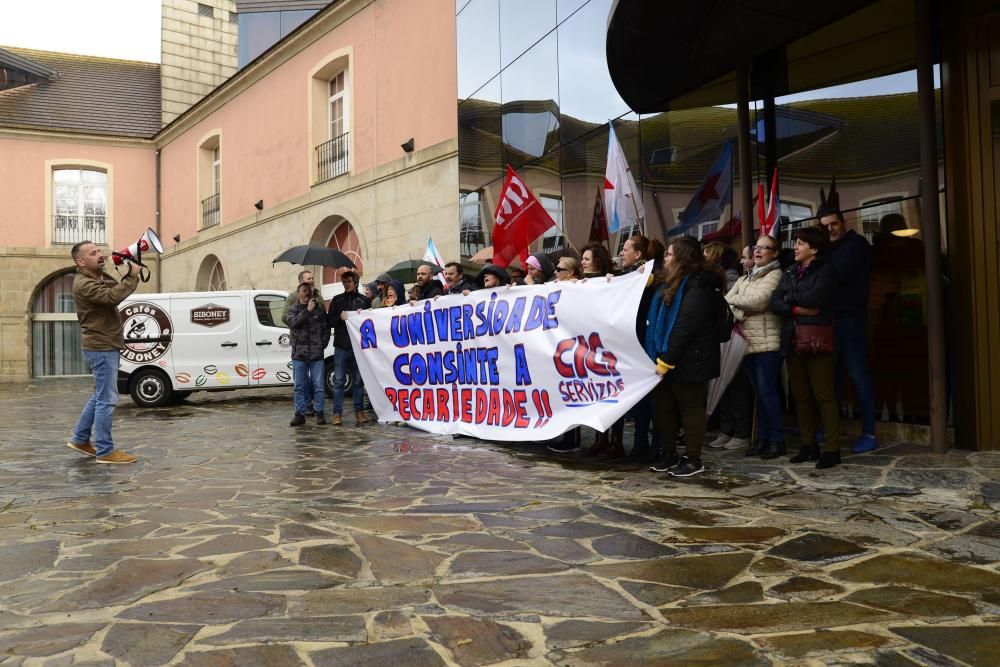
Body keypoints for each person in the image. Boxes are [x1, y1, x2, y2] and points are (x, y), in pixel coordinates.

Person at [645, 236, 724, 477]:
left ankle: (693, 458)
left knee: (690, 408)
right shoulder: (669, 283)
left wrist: (667, 359)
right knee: (663, 406)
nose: (665, 259)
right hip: (666, 355)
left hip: (691, 357)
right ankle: (668, 453)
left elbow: (685, 325)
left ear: (681, 258)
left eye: (669, 255)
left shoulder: (699, 285)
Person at [770, 226, 840, 469]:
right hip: (792, 340)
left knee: (824, 395)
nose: (795, 247)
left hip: (817, 340)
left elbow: (816, 299)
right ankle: (807, 445)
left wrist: (792, 298)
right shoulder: (789, 271)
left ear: (814, 248)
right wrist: (796, 307)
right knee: (800, 397)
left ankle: (832, 449)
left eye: (800, 243)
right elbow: (775, 302)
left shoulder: (826, 270)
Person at [67, 240, 140, 464]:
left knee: (99, 396)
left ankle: (80, 439)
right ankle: (106, 451)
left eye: (99, 251)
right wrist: (132, 275)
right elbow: (111, 297)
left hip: (102, 345)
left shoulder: (91, 279)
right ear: (80, 262)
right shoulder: (84, 284)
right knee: (107, 400)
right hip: (102, 347)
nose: (100, 255)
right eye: (93, 253)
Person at [820, 194, 877, 454]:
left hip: (851, 320)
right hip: (830, 321)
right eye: (824, 226)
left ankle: (869, 433)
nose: (829, 229)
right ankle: (832, 428)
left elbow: (834, 275)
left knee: (857, 376)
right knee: (831, 379)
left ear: (843, 223)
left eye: (833, 224)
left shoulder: (856, 244)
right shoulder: (828, 250)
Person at [725, 235, 784, 457]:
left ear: (775, 253)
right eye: (756, 247)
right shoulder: (745, 278)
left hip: (768, 344)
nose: (758, 251)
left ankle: (777, 440)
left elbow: (760, 301)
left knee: (768, 392)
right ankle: (763, 438)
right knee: (759, 395)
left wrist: (735, 305)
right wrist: (739, 307)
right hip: (748, 343)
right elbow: (726, 300)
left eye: (765, 248)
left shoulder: (775, 275)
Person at [703, 241, 752, 451]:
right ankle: (726, 429)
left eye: (706, 253)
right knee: (721, 385)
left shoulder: (731, 277)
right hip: (720, 336)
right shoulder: (716, 278)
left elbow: (729, 305)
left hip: (734, 337)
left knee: (735, 385)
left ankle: (740, 431)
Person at [327, 271, 371, 425]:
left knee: (358, 381)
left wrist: (362, 315)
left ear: (355, 282)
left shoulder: (364, 300)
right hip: (341, 346)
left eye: (349, 281)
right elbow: (329, 321)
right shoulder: (337, 300)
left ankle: (359, 412)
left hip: (358, 347)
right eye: (344, 281)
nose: (346, 284)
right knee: (338, 381)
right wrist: (339, 318)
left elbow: (370, 322)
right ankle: (337, 414)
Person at [287, 282, 330, 426]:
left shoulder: (319, 310)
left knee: (318, 385)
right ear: (298, 293)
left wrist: (322, 344)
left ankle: (319, 412)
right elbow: (293, 323)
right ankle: (300, 413)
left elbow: (326, 328)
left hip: (316, 354)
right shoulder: (293, 309)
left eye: (308, 291)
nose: (306, 294)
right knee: (299, 385)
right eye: (304, 291)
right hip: (299, 354)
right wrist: (307, 311)